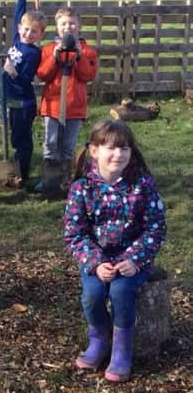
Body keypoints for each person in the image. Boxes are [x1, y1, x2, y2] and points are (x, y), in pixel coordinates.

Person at [64, 119, 166, 382]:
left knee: (121, 292)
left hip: (132, 261)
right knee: (93, 295)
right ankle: (99, 339)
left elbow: (155, 227)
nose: (118, 154)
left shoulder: (142, 185)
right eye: (111, 147)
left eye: (125, 148)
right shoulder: (82, 187)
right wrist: (96, 262)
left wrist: (134, 259)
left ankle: (121, 350)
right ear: (95, 150)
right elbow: (75, 233)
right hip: (96, 260)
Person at [36, 5, 98, 190]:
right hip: (53, 105)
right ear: (57, 27)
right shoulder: (48, 50)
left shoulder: (88, 51)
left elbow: (88, 75)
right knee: (51, 143)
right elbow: (42, 74)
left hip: (74, 106)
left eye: (72, 23)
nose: (68, 27)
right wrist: (54, 58)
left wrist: (79, 57)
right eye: (63, 24)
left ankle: (64, 180)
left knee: (67, 145)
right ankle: (49, 179)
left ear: (79, 26)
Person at [3, 0, 47, 187]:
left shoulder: (32, 53)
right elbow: (19, 14)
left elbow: (26, 80)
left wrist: (12, 73)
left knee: (22, 141)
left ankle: (23, 175)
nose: (28, 34)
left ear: (40, 34)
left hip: (23, 102)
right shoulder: (17, 40)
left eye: (34, 31)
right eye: (26, 29)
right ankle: (18, 169)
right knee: (15, 138)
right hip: (11, 99)